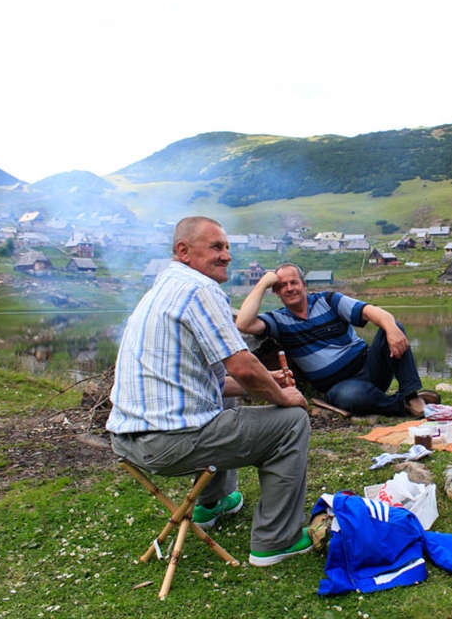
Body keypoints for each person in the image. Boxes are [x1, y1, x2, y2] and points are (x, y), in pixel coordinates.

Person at [107, 216, 314, 567]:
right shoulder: (200, 289)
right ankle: (277, 541)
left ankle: (213, 502)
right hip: (167, 443)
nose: (227, 255)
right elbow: (243, 366)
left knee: (227, 395)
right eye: (216, 247)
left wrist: (268, 382)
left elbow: (215, 382)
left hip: (127, 439)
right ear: (183, 251)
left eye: (228, 247)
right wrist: (283, 396)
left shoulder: (162, 289)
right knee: (293, 421)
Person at [236, 263, 435, 417]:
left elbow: (371, 311)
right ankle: (401, 405)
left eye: (294, 282)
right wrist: (263, 283)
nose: (289, 288)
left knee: (393, 327)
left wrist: (391, 328)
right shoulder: (278, 321)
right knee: (350, 398)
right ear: (277, 293)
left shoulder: (329, 300)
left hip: (370, 367)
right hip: (340, 385)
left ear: (304, 286)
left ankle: (411, 395)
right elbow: (244, 324)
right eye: (282, 286)